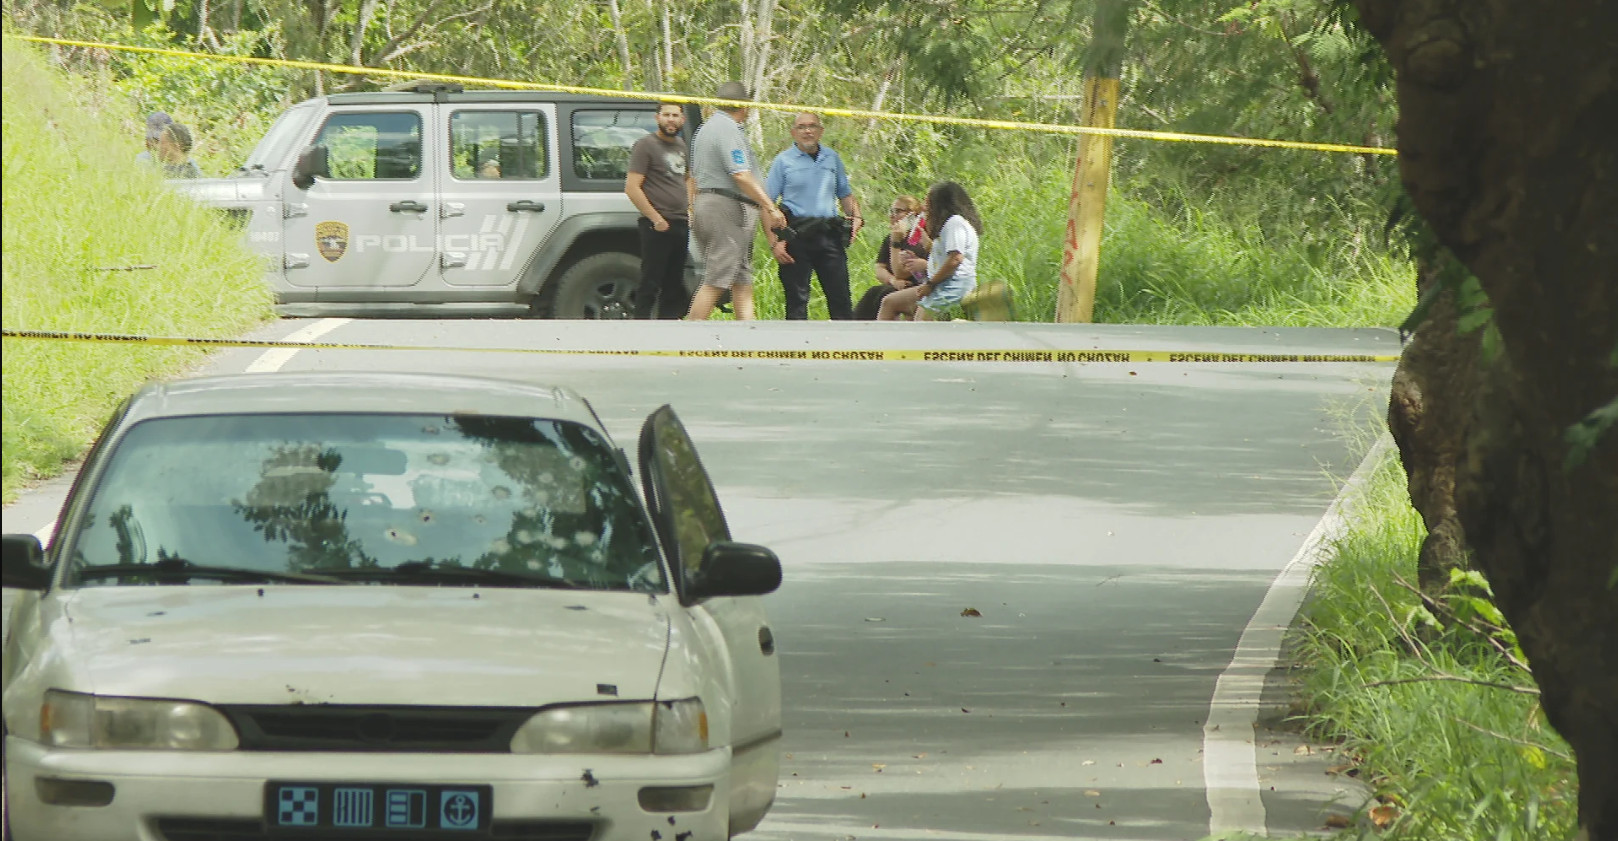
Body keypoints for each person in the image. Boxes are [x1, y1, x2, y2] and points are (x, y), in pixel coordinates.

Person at [685, 82, 787, 321]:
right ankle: (688, 337)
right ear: (744, 105)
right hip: (723, 205)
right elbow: (740, 173)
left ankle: (748, 338)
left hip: (720, 203)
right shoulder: (726, 129)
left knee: (741, 277)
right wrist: (770, 207)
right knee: (717, 278)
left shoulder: (708, 128)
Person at [762, 112, 864, 320]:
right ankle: (799, 348)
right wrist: (774, 243)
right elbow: (766, 204)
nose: (807, 131)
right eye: (801, 127)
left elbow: (845, 193)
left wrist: (857, 218)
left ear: (821, 131)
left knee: (841, 297)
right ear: (793, 132)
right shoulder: (783, 161)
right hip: (796, 235)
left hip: (829, 234)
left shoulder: (832, 158)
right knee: (797, 300)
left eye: (812, 126)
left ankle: (846, 348)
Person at [625, 101, 695, 319]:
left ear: (682, 120)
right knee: (650, 281)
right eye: (666, 115)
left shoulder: (682, 146)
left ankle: (667, 332)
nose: (671, 120)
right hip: (656, 226)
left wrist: (690, 208)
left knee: (674, 284)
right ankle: (641, 329)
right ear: (657, 118)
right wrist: (655, 218)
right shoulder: (645, 145)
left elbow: (689, 179)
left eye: (675, 115)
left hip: (681, 223)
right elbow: (632, 187)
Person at [879, 181, 982, 321]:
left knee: (921, 322)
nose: (923, 206)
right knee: (890, 302)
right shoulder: (947, 225)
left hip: (952, 288)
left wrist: (930, 284)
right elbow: (944, 255)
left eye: (927, 201)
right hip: (939, 285)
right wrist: (927, 247)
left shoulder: (955, 223)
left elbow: (956, 259)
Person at [853, 194, 929, 320]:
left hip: (914, 285)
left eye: (898, 211)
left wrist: (895, 244)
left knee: (885, 294)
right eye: (891, 211)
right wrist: (893, 280)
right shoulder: (890, 238)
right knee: (873, 292)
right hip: (895, 284)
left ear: (913, 215)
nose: (892, 215)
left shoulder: (918, 239)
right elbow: (879, 268)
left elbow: (901, 273)